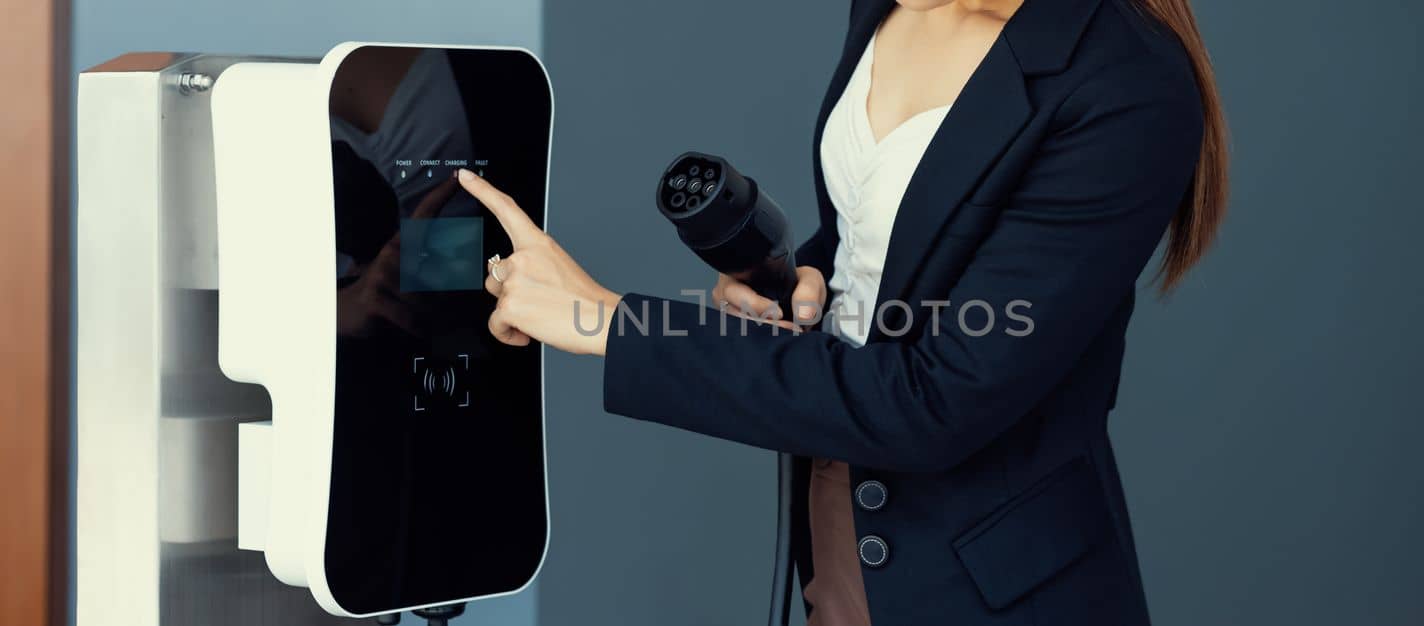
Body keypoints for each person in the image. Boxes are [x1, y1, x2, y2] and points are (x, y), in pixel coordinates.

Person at [460, 0, 1228, 623]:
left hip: (989, 588)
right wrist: (805, 280)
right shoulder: (888, 7)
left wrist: (607, 322)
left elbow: (938, 399)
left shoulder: (1128, 84)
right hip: (839, 534)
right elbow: (884, 228)